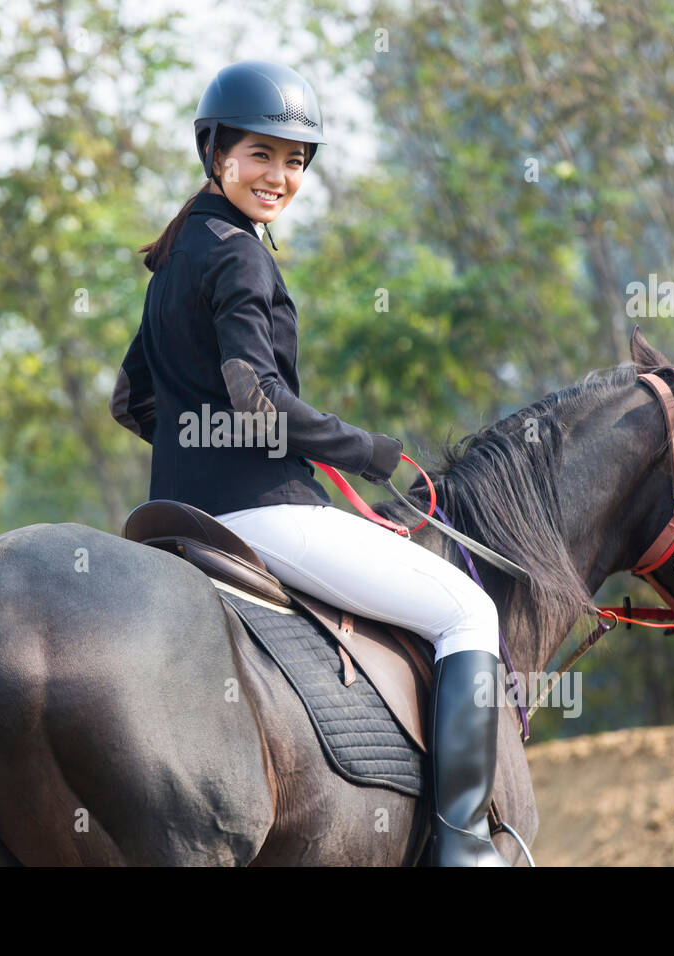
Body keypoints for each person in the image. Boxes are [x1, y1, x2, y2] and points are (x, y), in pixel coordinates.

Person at [111, 60, 507, 866]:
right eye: (262, 154)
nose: (280, 176)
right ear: (216, 151)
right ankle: (463, 847)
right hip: (264, 516)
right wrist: (369, 451)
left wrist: (200, 449)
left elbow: (132, 401)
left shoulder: (180, 251)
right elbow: (256, 399)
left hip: (182, 517)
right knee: (472, 614)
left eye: (296, 160)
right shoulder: (242, 257)